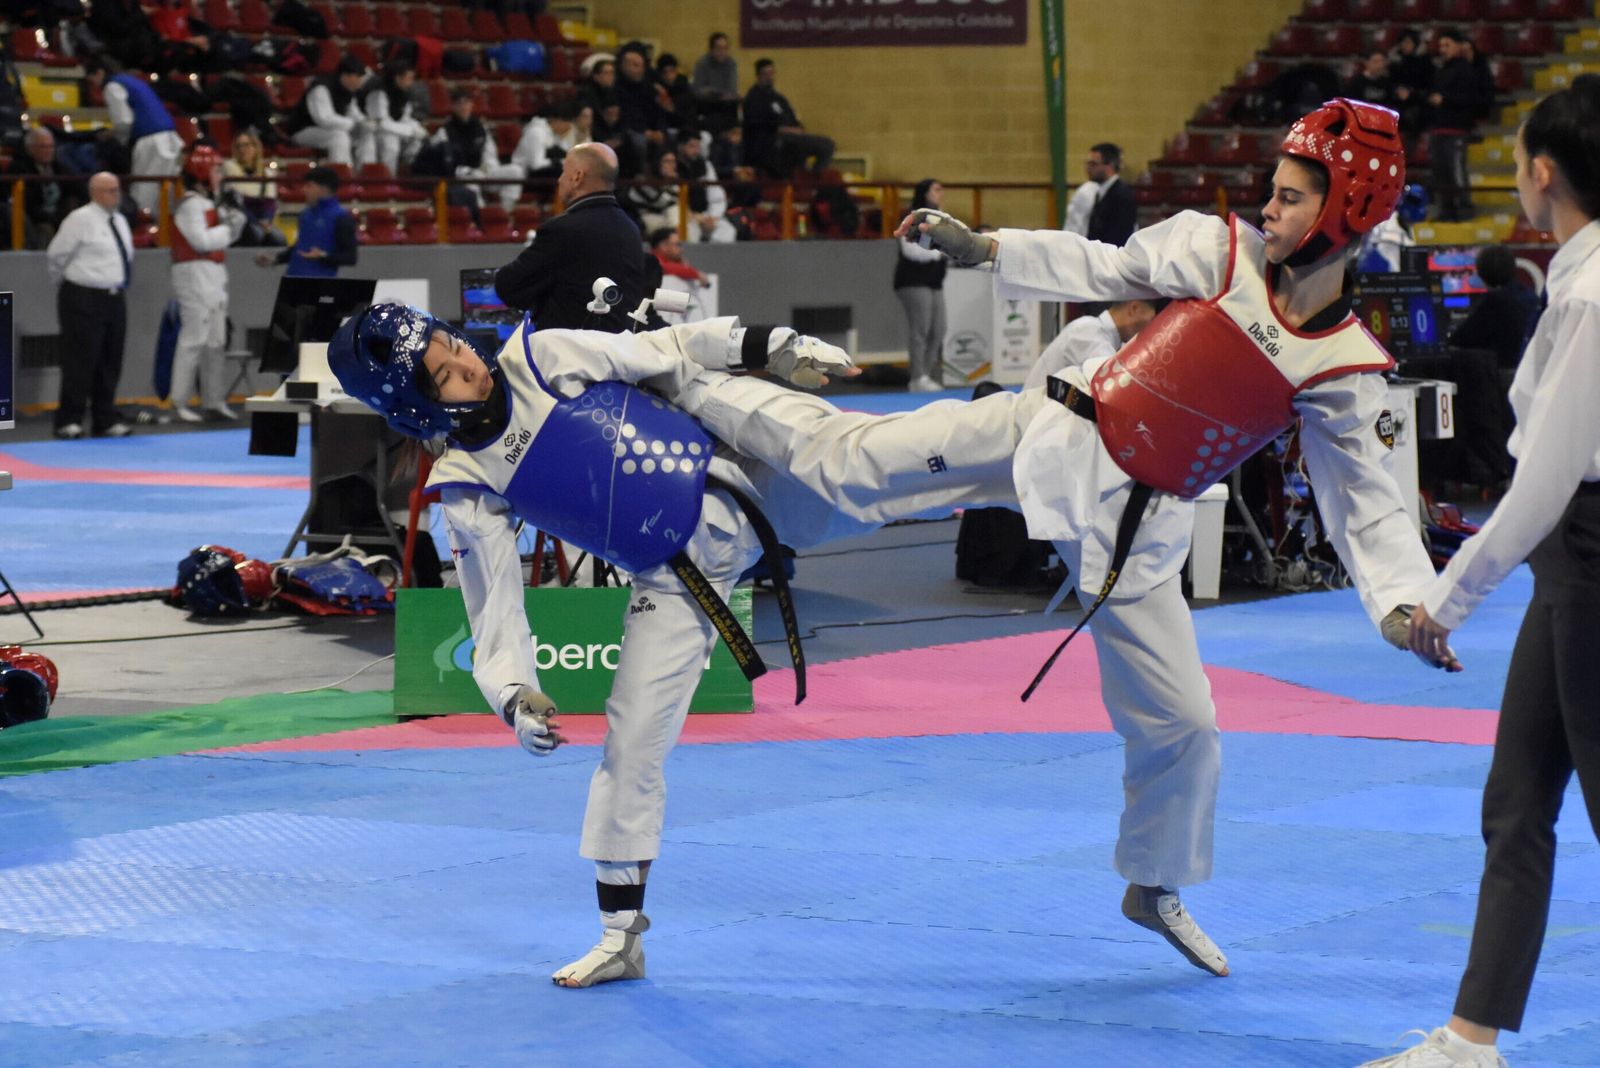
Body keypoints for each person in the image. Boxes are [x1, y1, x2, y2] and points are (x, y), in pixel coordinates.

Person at [665, 99, 1460, 978]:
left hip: (1136, 527)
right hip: (1054, 429)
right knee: (856, 465)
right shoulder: (1218, 251)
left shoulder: (1342, 365)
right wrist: (987, 248)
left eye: (1293, 197)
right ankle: (691, 379)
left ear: (1346, 213)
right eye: (1272, 190)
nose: (1268, 208)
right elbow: (1104, 263)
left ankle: (1154, 883)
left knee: (1184, 724)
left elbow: (1365, 497)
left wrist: (1400, 602)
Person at [325, 302, 854, 989]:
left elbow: (670, 345)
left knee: (890, 468)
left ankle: (994, 444)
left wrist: (770, 343)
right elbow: (492, 608)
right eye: (446, 375)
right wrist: (514, 695)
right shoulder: (469, 484)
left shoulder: (540, 358)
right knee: (629, 745)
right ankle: (620, 940)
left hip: (741, 470)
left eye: (454, 345)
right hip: (676, 576)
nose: (468, 365)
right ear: (419, 407)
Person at [1368, 83, 1600, 1067]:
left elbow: (1544, 479)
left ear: (1543, 171)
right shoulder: (1575, 279)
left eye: (1515, 161)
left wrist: (1447, 596)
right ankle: (1471, 1040)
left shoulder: (1590, 293)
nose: (1513, 175)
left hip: (1587, 556)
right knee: (1515, 805)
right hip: (1568, 566)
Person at [493, 143, 657, 331]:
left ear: (577, 177)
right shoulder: (631, 230)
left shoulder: (562, 230)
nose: (559, 180)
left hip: (568, 346)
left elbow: (508, 286)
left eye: (563, 172)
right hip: (621, 345)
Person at [45, 172, 135, 440]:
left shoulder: (120, 220)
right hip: (83, 296)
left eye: (117, 190)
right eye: (110, 190)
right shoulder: (79, 219)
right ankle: (68, 420)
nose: (116, 195)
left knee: (110, 360)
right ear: (94, 193)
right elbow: (56, 255)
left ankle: (104, 418)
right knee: (80, 360)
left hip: (114, 296)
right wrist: (69, 284)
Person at [169, 144, 246, 422]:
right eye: (215, 169)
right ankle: (179, 401)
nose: (219, 175)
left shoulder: (208, 203)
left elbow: (221, 238)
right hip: (194, 272)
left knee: (216, 340)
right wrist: (229, 226)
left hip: (213, 272)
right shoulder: (190, 204)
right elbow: (201, 241)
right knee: (193, 339)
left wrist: (232, 222)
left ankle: (214, 399)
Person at [86, 61, 183, 216]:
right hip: (171, 137)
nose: (94, 85)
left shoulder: (112, 86)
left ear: (99, 73)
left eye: (92, 80)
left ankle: (141, 226)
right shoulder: (132, 81)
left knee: (144, 191)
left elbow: (124, 122)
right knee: (166, 192)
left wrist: (111, 136)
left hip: (151, 142)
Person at [1022, 299, 1167, 389]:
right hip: (1034, 423)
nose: (1152, 331)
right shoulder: (1088, 331)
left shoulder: (1104, 337)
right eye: (1153, 320)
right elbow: (1114, 385)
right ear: (1134, 308)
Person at [425, 89, 524, 213]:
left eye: (466, 103)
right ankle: (480, 217)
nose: (463, 107)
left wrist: (486, 168)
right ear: (453, 106)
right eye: (459, 103)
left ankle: (505, 213)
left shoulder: (481, 128)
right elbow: (442, 161)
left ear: (471, 105)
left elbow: (490, 155)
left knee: (516, 171)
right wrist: (465, 171)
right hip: (461, 175)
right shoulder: (445, 131)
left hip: (482, 172)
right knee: (472, 183)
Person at [894, 178, 949, 393]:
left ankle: (924, 374)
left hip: (934, 280)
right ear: (925, 193)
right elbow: (911, 251)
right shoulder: (912, 218)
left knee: (939, 329)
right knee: (921, 329)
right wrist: (939, 249)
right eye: (936, 190)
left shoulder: (943, 218)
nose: (940, 193)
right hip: (913, 280)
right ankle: (917, 376)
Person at [254, 166, 357, 277]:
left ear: (323, 189)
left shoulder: (341, 218)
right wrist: (276, 258)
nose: (304, 189)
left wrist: (324, 256)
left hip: (320, 282)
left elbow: (351, 257)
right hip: (292, 278)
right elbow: (300, 247)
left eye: (309, 186)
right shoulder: (306, 214)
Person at [1448, 245, 1536, 372]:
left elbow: (1458, 340)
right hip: (1527, 369)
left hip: (1503, 372)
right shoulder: (1530, 296)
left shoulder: (1494, 302)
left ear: (1480, 273)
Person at [741, 59, 833, 177]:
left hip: (792, 136)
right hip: (771, 140)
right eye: (766, 74)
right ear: (758, 75)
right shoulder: (753, 98)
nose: (770, 77)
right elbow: (760, 126)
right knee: (822, 145)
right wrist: (785, 130)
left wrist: (798, 128)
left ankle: (814, 178)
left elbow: (792, 116)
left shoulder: (778, 97)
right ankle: (812, 179)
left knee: (827, 144)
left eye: (772, 73)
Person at [1427, 29, 1479, 222]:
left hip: (1456, 128)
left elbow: (1471, 99)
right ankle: (1447, 211)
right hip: (1439, 127)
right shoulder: (1441, 70)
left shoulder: (1466, 70)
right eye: (1441, 45)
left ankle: (1464, 210)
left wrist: (1445, 100)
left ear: (1458, 46)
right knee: (1441, 173)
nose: (1443, 49)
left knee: (1456, 171)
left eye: (1447, 45)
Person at [3, 126, 85, 248]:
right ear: (29, 149)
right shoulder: (18, 169)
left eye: (51, 146)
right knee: (46, 230)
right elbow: (27, 204)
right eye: (43, 147)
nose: (48, 151)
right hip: (34, 219)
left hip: (58, 216)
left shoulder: (59, 167)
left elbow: (79, 189)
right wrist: (49, 219)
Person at [282, 55, 369, 168]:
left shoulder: (348, 91)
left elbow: (353, 113)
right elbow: (324, 119)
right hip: (302, 130)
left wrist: (366, 123)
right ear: (346, 76)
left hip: (330, 130)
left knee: (366, 134)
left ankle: (363, 172)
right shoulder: (321, 88)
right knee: (338, 137)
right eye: (358, 77)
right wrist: (353, 125)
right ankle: (341, 174)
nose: (360, 81)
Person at [365, 61, 428, 175]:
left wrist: (417, 127)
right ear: (398, 77)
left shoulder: (404, 93)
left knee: (417, 141)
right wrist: (410, 131)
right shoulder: (378, 92)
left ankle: (411, 174)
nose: (411, 82)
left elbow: (405, 117)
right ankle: (388, 179)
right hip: (374, 132)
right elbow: (382, 123)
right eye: (409, 78)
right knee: (391, 143)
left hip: (395, 131)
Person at [223, 129, 278, 231]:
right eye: (238, 146)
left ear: (256, 147)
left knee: (277, 237)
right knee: (257, 233)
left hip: (262, 217)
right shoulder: (229, 167)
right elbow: (237, 196)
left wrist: (266, 220)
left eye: (246, 145)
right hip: (241, 216)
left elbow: (270, 201)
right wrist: (257, 222)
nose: (242, 149)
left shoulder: (267, 173)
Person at [1084, 142, 1137, 247]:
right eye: (1088, 163)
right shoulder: (1102, 192)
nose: (1088, 168)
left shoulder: (1122, 196)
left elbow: (1119, 237)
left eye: (1093, 164)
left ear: (1109, 166)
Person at [691, 31, 740, 135]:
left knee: (734, 105)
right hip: (707, 107)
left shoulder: (731, 64)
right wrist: (718, 93)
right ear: (711, 49)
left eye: (725, 48)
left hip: (725, 106)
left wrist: (715, 92)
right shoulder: (702, 64)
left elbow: (732, 90)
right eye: (719, 48)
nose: (722, 52)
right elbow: (698, 91)